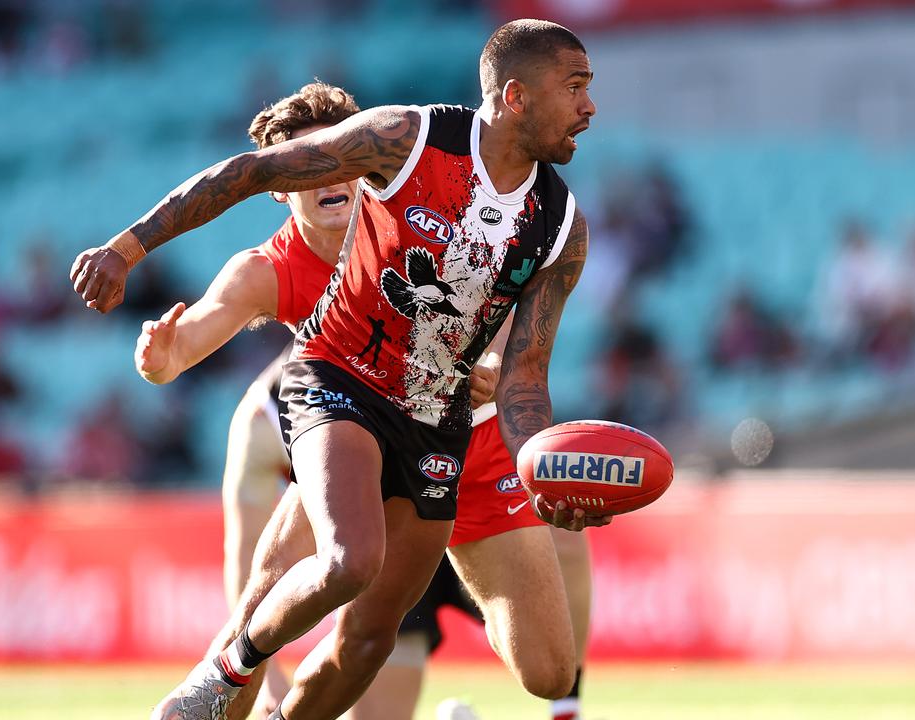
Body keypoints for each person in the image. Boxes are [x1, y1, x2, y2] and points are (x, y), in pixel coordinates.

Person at [70, 19, 602, 720]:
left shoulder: (562, 226)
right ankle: (224, 673)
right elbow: (251, 171)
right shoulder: (407, 141)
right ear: (515, 97)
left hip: (442, 425)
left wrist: (538, 464)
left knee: (436, 651)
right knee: (349, 561)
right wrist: (127, 247)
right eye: (576, 88)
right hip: (341, 383)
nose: (590, 108)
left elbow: (526, 377)